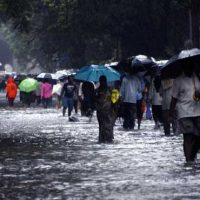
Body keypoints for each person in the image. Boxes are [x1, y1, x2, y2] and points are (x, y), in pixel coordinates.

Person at [170, 60, 200, 162]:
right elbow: (174, 98)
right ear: (183, 68)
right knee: (188, 136)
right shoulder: (178, 81)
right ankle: (188, 161)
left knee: (197, 136)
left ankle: (192, 155)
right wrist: (171, 113)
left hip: (197, 111)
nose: (190, 69)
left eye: (191, 67)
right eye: (187, 67)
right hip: (184, 112)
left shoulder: (196, 78)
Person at [95, 75, 118, 143]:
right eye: (101, 81)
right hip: (100, 112)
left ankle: (108, 140)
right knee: (102, 126)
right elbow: (95, 101)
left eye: (103, 81)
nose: (103, 82)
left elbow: (115, 101)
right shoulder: (97, 91)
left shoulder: (111, 90)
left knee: (108, 126)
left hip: (109, 112)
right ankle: (103, 140)